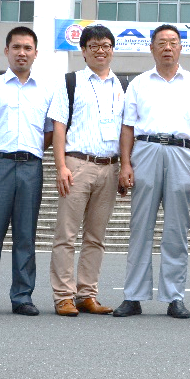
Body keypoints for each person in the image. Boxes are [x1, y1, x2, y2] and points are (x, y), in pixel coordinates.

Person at [113, 24, 190, 319]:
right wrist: (126, 163)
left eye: (173, 42)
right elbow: (128, 127)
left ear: (180, 47)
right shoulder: (139, 83)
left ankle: (174, 296)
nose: (167, 47)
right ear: (152, 48)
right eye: (161, 42)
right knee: (140, 226)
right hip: (146, 151)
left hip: (182, 153)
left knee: (176, 229)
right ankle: (133, 296)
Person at [0, 26, 54, 317]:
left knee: (25, 234)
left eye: (28, 48)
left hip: (31, 166)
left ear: (36, 53)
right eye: (16, 47)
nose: (22, 53)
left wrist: (29, 150)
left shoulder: (46, 90)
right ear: (7, 51)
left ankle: (22, 296)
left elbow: (50, 131)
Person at [48, 25, 124, 317]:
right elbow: (59, 127)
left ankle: (87, 294)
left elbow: (126, 130)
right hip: (77, 165)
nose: (100, 51)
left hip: (110, 167)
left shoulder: (121, 86)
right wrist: (61, 166)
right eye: (94, 46)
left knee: (96, 237)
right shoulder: (71, 82)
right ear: (83, 51)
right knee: (66, 235)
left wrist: (124, 166)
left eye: (106, 45)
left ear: (112, 50)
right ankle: (63, 296)